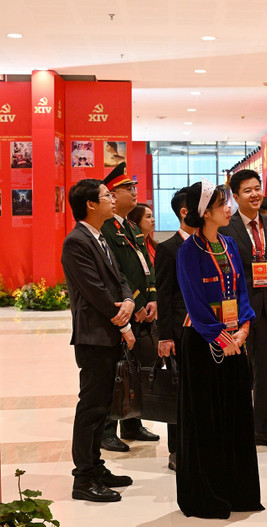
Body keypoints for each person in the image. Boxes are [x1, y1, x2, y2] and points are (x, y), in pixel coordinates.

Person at [176, 180, 263, 519]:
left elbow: (241, 290)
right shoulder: (188, 251)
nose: (230, 208)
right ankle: (207, 494)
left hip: (234, 341)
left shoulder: (228, 244)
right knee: (206, 420)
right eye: (223, 203)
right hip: (203, 344)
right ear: (206, 212)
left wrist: (243, 328)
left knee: (235, 415)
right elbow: (194, 302)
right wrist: (220, 338)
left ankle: (238, 491)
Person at [61, 179, 136, 502]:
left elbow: (118, 279)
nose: (112, 200)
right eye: (107, 196)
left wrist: (129, 301)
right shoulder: (76, 241)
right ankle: (83, 478)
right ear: (90, 204)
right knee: (91, 408)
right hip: (94, 337)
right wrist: (123, 323)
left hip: (109, 331)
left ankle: (96, 465)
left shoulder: (100, 236)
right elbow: (95, 292)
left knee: (103, 406)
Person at [219, 170, 267, 447]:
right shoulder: (225, 227)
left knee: (265, 370)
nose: (255, 194)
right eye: (248, 190)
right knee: (237, 372)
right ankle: (236, 425)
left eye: (257, 188)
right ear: (235, 196)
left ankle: (261, 426)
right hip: (238, 313)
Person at [100, 163, 160, 451]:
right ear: (112, 195)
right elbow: (116, 273)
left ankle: (133, 422)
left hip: (141, 308)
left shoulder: (131, 227)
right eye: (127, 189)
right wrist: (134, 302)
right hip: (121, 310)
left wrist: (151, 297)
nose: (134, 192)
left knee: (135, 367)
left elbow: (145, 266)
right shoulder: (106, 229)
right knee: (116, 369)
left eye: (134, 188)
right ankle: (108, 429)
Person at [153, 187, 192, 472]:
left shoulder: (213, 244)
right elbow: (163, 296)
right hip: (179, 331)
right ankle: (176, 450)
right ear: (185, 211)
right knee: (178, 392)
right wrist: (165, 336)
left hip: (207, 331)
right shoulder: (168, 249)